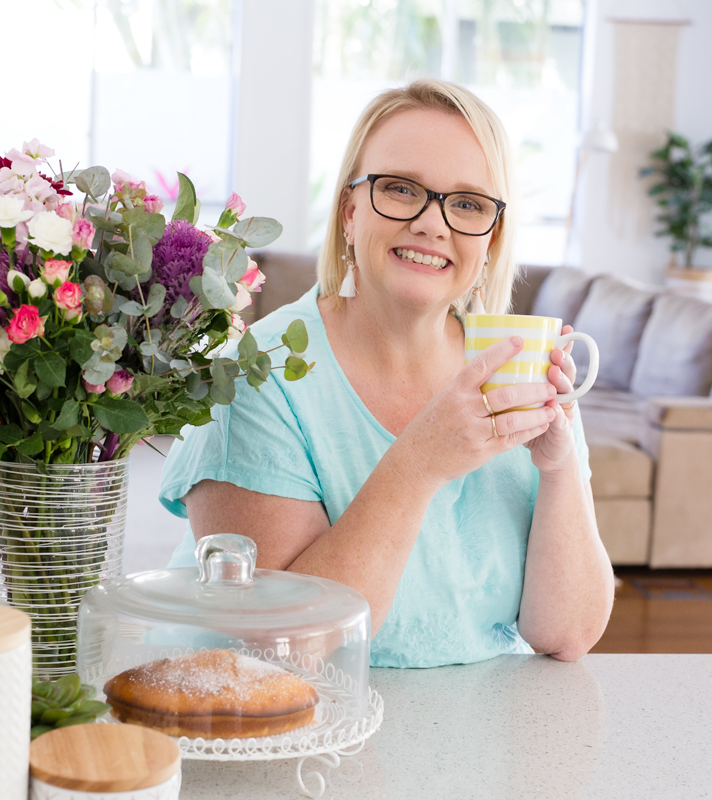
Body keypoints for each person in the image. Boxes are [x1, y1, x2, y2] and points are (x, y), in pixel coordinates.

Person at [158, 79, 614, 668]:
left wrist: (558, 468)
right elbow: (288, 648)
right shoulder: (255, 374)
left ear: (491, 241)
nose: (432, 223)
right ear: (349, 212)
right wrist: (419, 462)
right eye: (400, 190)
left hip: (475, 741)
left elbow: (568, 633)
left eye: (468, 203)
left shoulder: (515, 369)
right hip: (285, 734)